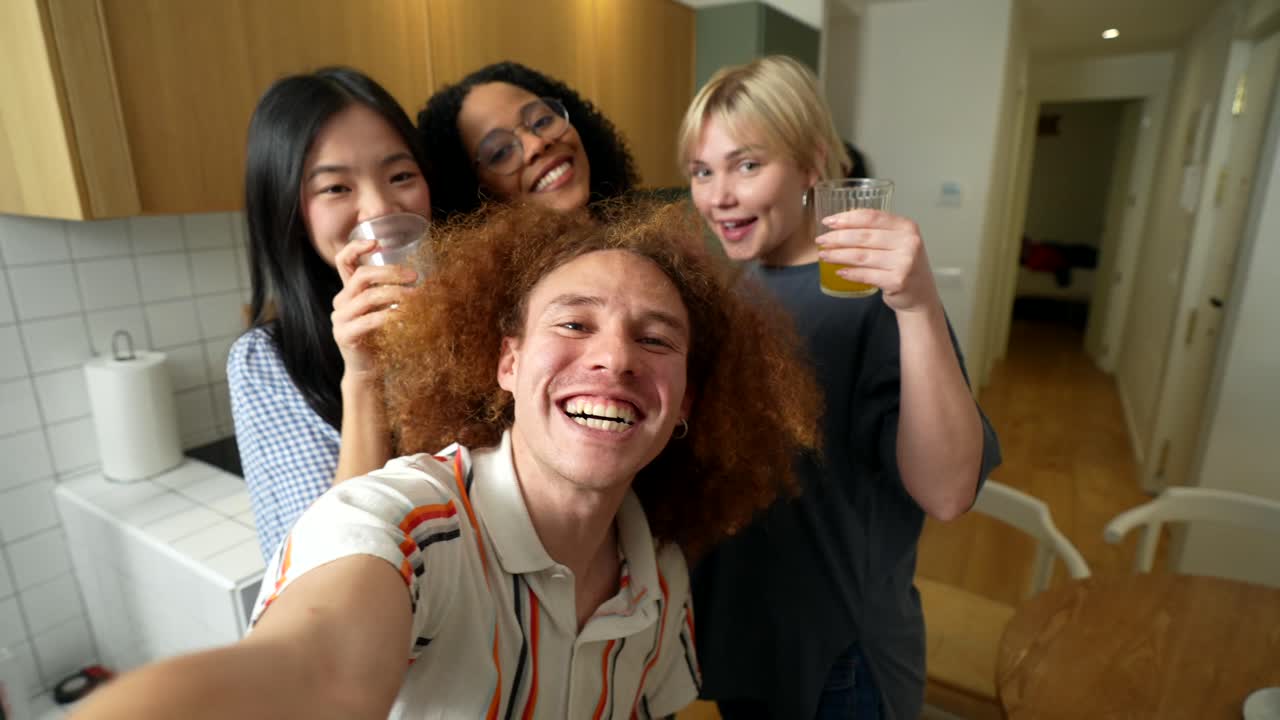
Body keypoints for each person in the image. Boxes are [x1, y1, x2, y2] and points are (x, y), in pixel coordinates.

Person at [70, 202, 823, 719]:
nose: (614, 358)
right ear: (507, 363)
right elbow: (316, 673)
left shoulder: (659, 572)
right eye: (575, 322)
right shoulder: (409, 529)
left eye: (656, 339)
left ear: (685, 402)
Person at [678, 56, 1002, 719]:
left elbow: (947, 491)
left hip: (837, 663)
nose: (719, 196)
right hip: (749, 642)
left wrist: (917, 306)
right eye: (702, 171)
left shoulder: (871, 297)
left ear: (812, 165)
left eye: (747, 165)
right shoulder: (739, 288)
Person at [229, 67, 432, 560]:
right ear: (289, 210)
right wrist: (362, 376)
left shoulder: (486, 310)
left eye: (400, 176)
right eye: (336, 188)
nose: (379, 208)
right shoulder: (266, 362)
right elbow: (316, 567)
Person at [417, 61, 639, 219]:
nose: (537, 144)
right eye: (501, 152)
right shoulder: (501, 287)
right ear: (475, 195)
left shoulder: (644, 238)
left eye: (542, 121)